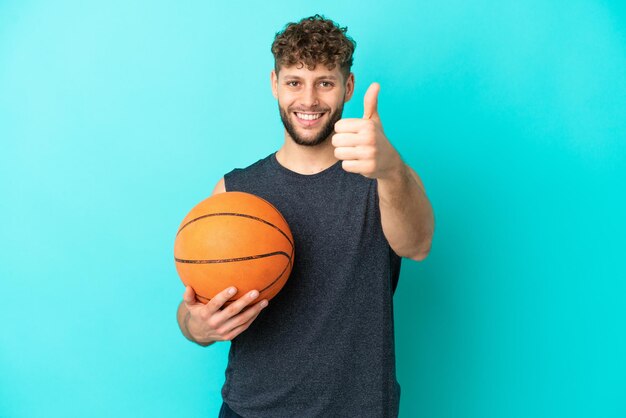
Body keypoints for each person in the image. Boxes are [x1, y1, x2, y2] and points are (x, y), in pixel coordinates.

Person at [176, 14, 434, 418]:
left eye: (324, 83)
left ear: (347, 87)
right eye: (295, 81)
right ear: (275, 84)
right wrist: (198, 327)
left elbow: (417, 244)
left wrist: (389, 169)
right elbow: (192, 309)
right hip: (252, 411)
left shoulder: (385, 178)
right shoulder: (235, 191)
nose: (309, 100)